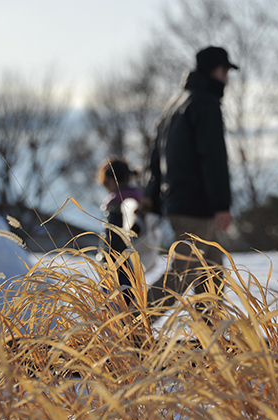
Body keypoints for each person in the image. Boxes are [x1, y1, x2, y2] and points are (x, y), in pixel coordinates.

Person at [141, 46, 238, 314]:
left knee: (212, 272)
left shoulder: (175, 105)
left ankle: (212, 339)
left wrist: (152, 195)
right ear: (218, 71)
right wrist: (221, 204)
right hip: (196, 205)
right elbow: (213, 158)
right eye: (227, 71)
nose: (228, 79)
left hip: (178, 202)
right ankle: (129, 329)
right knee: (181, 275)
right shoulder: (205, 104)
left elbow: (155, 156)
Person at [96, 158, 144, 307]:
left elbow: (113, 236)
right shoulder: (140, 197)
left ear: (110, 180)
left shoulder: (115, 202)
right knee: (131, 303)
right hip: (134, 262)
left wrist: (105, 259)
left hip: (117, 263)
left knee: (113, 307)